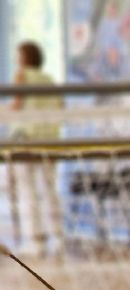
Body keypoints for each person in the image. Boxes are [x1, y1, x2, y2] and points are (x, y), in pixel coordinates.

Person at [9, 41, 64, 256]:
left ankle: (35, 240)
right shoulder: (50, 80)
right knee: (49, 190)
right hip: (49, 139)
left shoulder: (21, 75)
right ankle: (57, 238)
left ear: (24, 58)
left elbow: (17, 104)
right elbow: (61, 107)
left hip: (27, 138)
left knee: (27, 190)